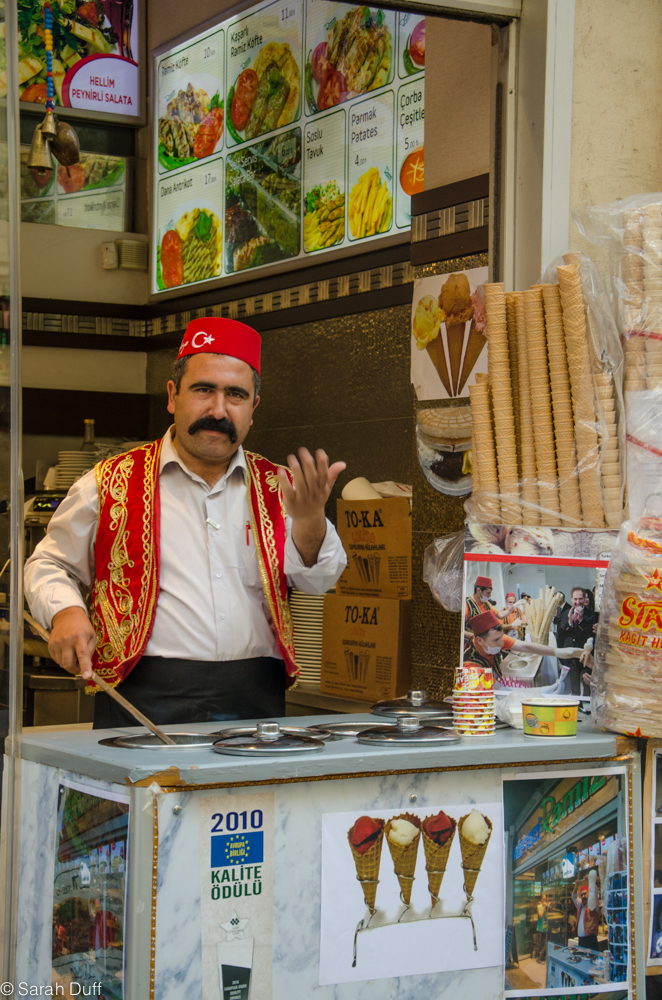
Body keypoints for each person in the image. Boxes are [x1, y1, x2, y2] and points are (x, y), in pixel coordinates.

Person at [24, 318, 348, 728]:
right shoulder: (110, 482)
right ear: (173, 395)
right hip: (140, 694)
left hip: (255, 697)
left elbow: (320, 582)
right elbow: (47, 564)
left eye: (235, 395)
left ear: (253, 408)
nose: (218, 410)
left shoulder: (280, 487)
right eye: (203, 390)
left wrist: (310, 521)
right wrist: (66, 612)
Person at [463, 610, 582, 681]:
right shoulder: (470, 664)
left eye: (501, 638)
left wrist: (557, 652)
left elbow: (526, 647)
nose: (501, 643)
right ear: (479, 640)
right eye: (496, 640)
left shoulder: (493, 638)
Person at [557, 588, 599, 695]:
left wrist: (580, 621)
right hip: (571, 656)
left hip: (585, 657)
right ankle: (577, 706)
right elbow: (561, 633)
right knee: (574, 687)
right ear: (571, 599)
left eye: (580, 599)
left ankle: (586, 707)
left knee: (587, 687)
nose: (578, 602)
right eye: (575, 599)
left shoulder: (592, 615)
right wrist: (570, 621)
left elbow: (591, 635)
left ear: (584, 599)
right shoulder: (566, 613)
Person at [572, 875, 600, 952]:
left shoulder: (593, 906)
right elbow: (574, 897)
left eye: (585, 894)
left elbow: (595, 892)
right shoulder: (580, 907)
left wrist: (590, 880)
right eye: (582, 895)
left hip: (590, 941)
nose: (583, 896)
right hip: (581, 941)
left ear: (589, 894)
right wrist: (576, 886)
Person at [535, 894, 548, 964]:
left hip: (545, 928)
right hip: (540, 928)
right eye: (543, 899)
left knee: (544, 944)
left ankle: (541, 957)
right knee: (539, 944)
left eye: (545, 899)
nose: (544, 901)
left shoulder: (546, 907)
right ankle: (538, 958)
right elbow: (540, 915)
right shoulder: (539, 906)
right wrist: (543, 906)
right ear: (541, 900)